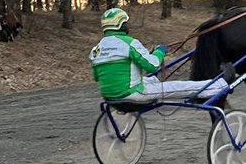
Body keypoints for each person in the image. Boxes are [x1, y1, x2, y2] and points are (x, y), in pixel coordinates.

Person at [89, 8, 230, 104]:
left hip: (109, 96)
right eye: (126, 23)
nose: (127, 26)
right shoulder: (129, 43)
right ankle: (220, 85)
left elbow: (97, 76)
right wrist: (160, 51)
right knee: (179, 86)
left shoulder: (96, 50)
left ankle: (153, 84)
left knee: (151, 80)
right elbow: (153, 65)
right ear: (121, 25)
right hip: (132, 94)